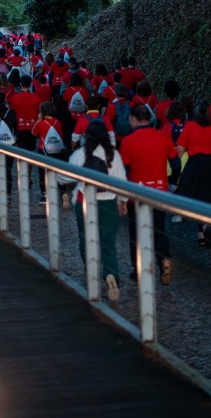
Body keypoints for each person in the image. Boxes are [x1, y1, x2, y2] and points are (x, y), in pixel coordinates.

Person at [56, 120, 128, 301]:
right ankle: (111, 274)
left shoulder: (81, 154)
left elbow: (62, 176)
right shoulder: (114, 155)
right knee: (108, 242)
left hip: (85, 201)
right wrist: (123, 201)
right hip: (109, 203)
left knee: (85, 238)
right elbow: (122, 182)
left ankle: (91, 270)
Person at [120, 104, 181, 285]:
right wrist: (170, 182)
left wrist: (122, 199)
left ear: (133, 119)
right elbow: (176, 164)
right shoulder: (163, 137)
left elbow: (124, 171)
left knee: (136, 235)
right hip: (159, 192)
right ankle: (164, 261)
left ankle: (138, 270)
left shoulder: (128, 141)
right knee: (158, 230)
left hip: (136, 194)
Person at [175, 101, 211, 247]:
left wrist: (174, 168)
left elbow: (180, 149)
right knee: (209, 198)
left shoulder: (189, 127)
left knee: (190, 193)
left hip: (195, 164)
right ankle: (204, 229)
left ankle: (198, 228)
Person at [9, 75, 43, 191]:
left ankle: (22, 176)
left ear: (20, 84)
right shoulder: (36, 98)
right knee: (29, 152)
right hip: (32, 129)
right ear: (30, 84)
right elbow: (40, 113)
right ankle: (27, 177)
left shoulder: (15, 98)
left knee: (21, 153)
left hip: (19, 128)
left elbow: (11, 113)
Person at [31, 101, 69, 205]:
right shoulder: (58, 122)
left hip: (44, 151)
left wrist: (39, 119)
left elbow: (33, 132)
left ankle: (45, 194)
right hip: (57, 151)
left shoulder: (42, 123)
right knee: (59, 172)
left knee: (43, 173)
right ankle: (63, 193)